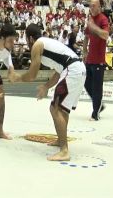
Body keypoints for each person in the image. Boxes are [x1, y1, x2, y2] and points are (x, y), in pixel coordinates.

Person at [11, 24, 86, 161]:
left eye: (27, 39)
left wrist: (18, 78)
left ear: (30, 38)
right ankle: (61, 141)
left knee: (55, 108)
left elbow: (32, 75)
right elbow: (58, 71)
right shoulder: (48, 43)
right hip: (78, 69)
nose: (27, 43)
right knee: (63, 110)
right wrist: (46, 86)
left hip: (72, 70)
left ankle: (64, 150)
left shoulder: (37, 45)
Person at [83, 0, 109, 121]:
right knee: (87, 83)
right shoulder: (90, 20)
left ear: (99, 7)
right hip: (89, 59)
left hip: (99, 60)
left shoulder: (103, 19)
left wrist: (93, 27)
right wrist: (84, 51)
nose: (91, 8)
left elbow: (105, 34)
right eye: (90, 6)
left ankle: (95, 113)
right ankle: (99, 104)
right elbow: (86, 36)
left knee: (97, 87)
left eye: (93, 6)